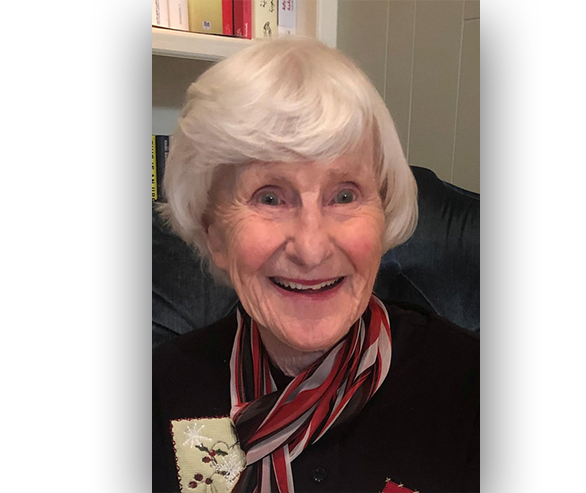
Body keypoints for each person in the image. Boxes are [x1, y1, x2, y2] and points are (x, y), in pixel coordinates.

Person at [153, 36, 479, 493]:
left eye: (344, 195)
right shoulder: (157, 393)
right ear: (214, 234)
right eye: (270, 197)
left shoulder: (475, 389)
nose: (311, 247)